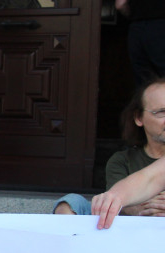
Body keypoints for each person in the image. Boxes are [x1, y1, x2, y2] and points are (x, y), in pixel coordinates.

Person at [55, 77, 165, 216]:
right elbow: (148, 179)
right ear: (139, 117)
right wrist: (152, 208)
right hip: (133, 225)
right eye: (161, 112)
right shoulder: (123, 160)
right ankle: (74, 238)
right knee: (72, 202)